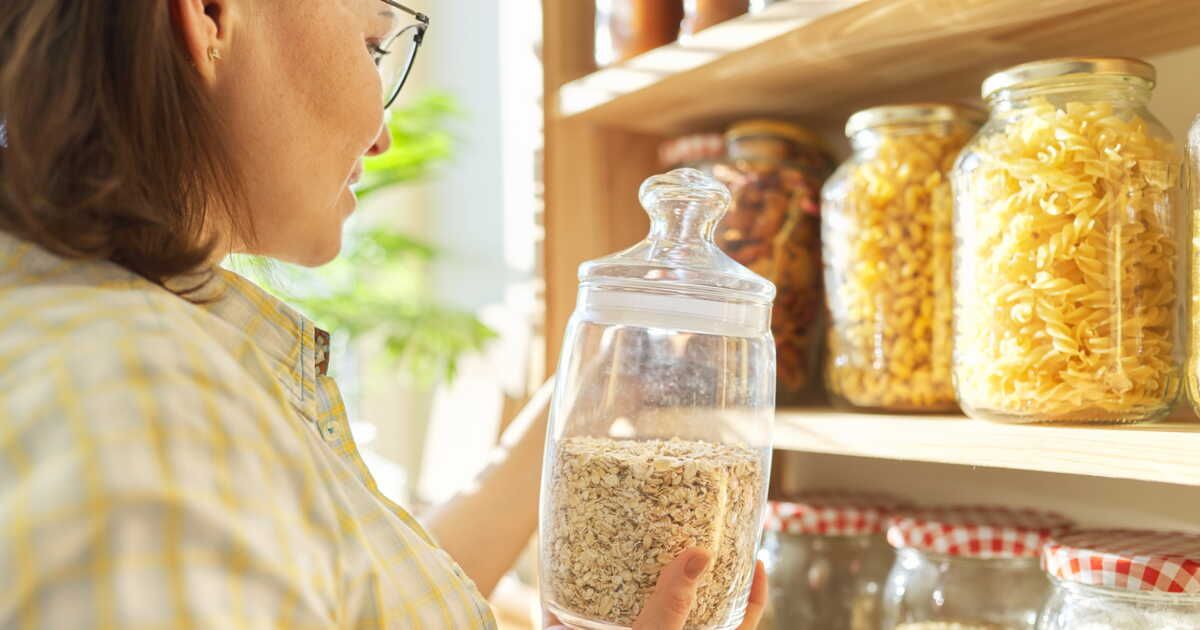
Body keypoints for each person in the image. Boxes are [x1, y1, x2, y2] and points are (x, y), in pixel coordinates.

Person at [0, 1, 767, 628]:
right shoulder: (143, 402)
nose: (383, 133)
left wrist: (589, 394)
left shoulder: (137, 337)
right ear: (208, 16)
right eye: (373, 46)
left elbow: (352, 601)